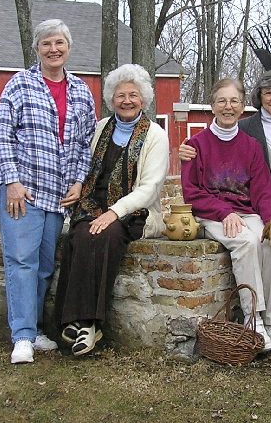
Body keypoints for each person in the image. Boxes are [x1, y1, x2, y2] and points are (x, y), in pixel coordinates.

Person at [179, 70, 271, 342]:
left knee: (268, 242)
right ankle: (252, 317)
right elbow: (191, 193)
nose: (228, 107)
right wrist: (224, 212)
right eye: (222, 101)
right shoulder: (197, 145)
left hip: (247, 212)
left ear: (242, 104)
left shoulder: (251, 145)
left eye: (234, 101)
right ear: (212, 106)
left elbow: (263, 193)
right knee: (246, 242)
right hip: (213, 214)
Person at [0, 19, 97, 364]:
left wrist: (79, 181)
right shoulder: (20, 85)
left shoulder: (82, 91)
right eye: (47, 44)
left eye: (60, 43)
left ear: (68, 47)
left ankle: (36, 330)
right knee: (21, 261)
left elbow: (86, 144)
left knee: (42, 266)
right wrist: (11, 180)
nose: (54, 49)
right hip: (22, 190)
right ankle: (21, 336)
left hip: (58, 194)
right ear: (37, 48)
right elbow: (3, 133)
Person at [54, 64, 169, 356]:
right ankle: (71, 321)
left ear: (143, 99)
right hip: (94, 205)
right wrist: (79, 188)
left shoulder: (155, 135)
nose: (126, 101)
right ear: (111, 99)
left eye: (133, 95)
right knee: (79, 235)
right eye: (120, 95)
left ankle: (89, 323)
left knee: (105, 236)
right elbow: (84, 165)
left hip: (133, 213)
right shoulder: (101, 128)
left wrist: (114, 212)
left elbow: (149, 189)